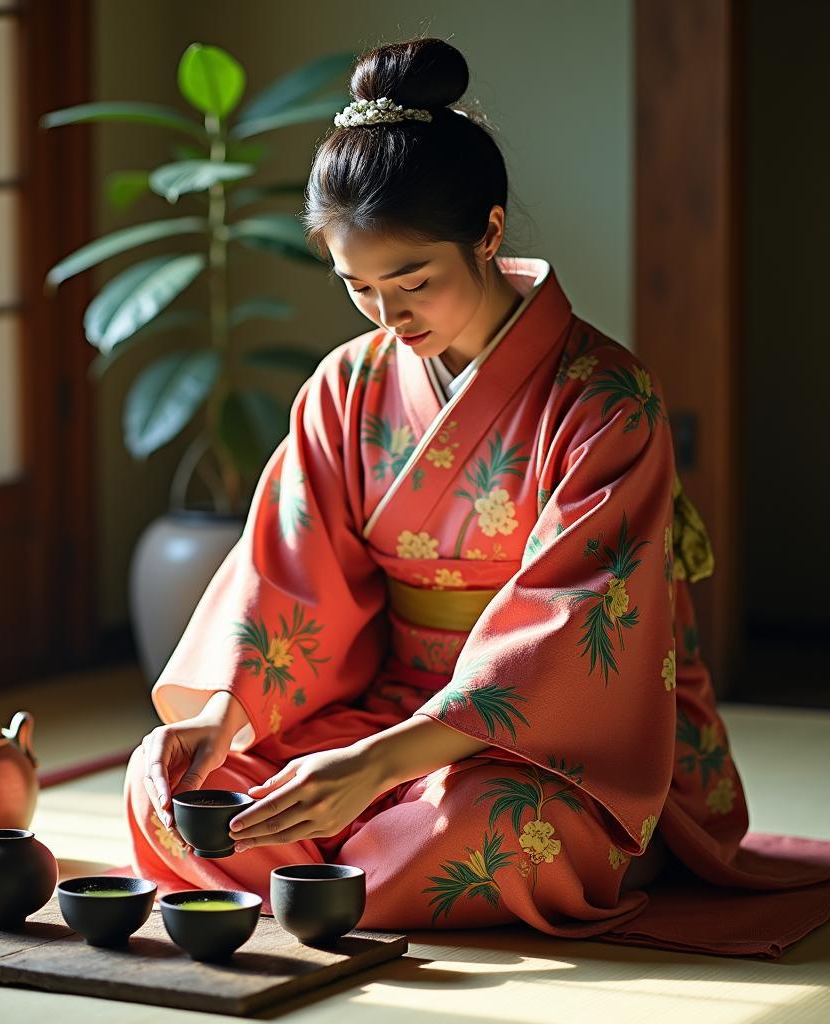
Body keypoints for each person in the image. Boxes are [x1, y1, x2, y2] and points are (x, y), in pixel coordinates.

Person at [121, 38, 822, 941]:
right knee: (168, 783)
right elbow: (286, 580)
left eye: (413, 280)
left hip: (554, 744)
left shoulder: (602, 399)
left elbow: (569, 639)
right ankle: (333, 865)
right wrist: (223, 716)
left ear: (489, 233)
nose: (388, 316)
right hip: (388, 702)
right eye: (358, 286)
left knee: (482, 831)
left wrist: (380, 767)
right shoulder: (346, 388)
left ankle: (320, 866)